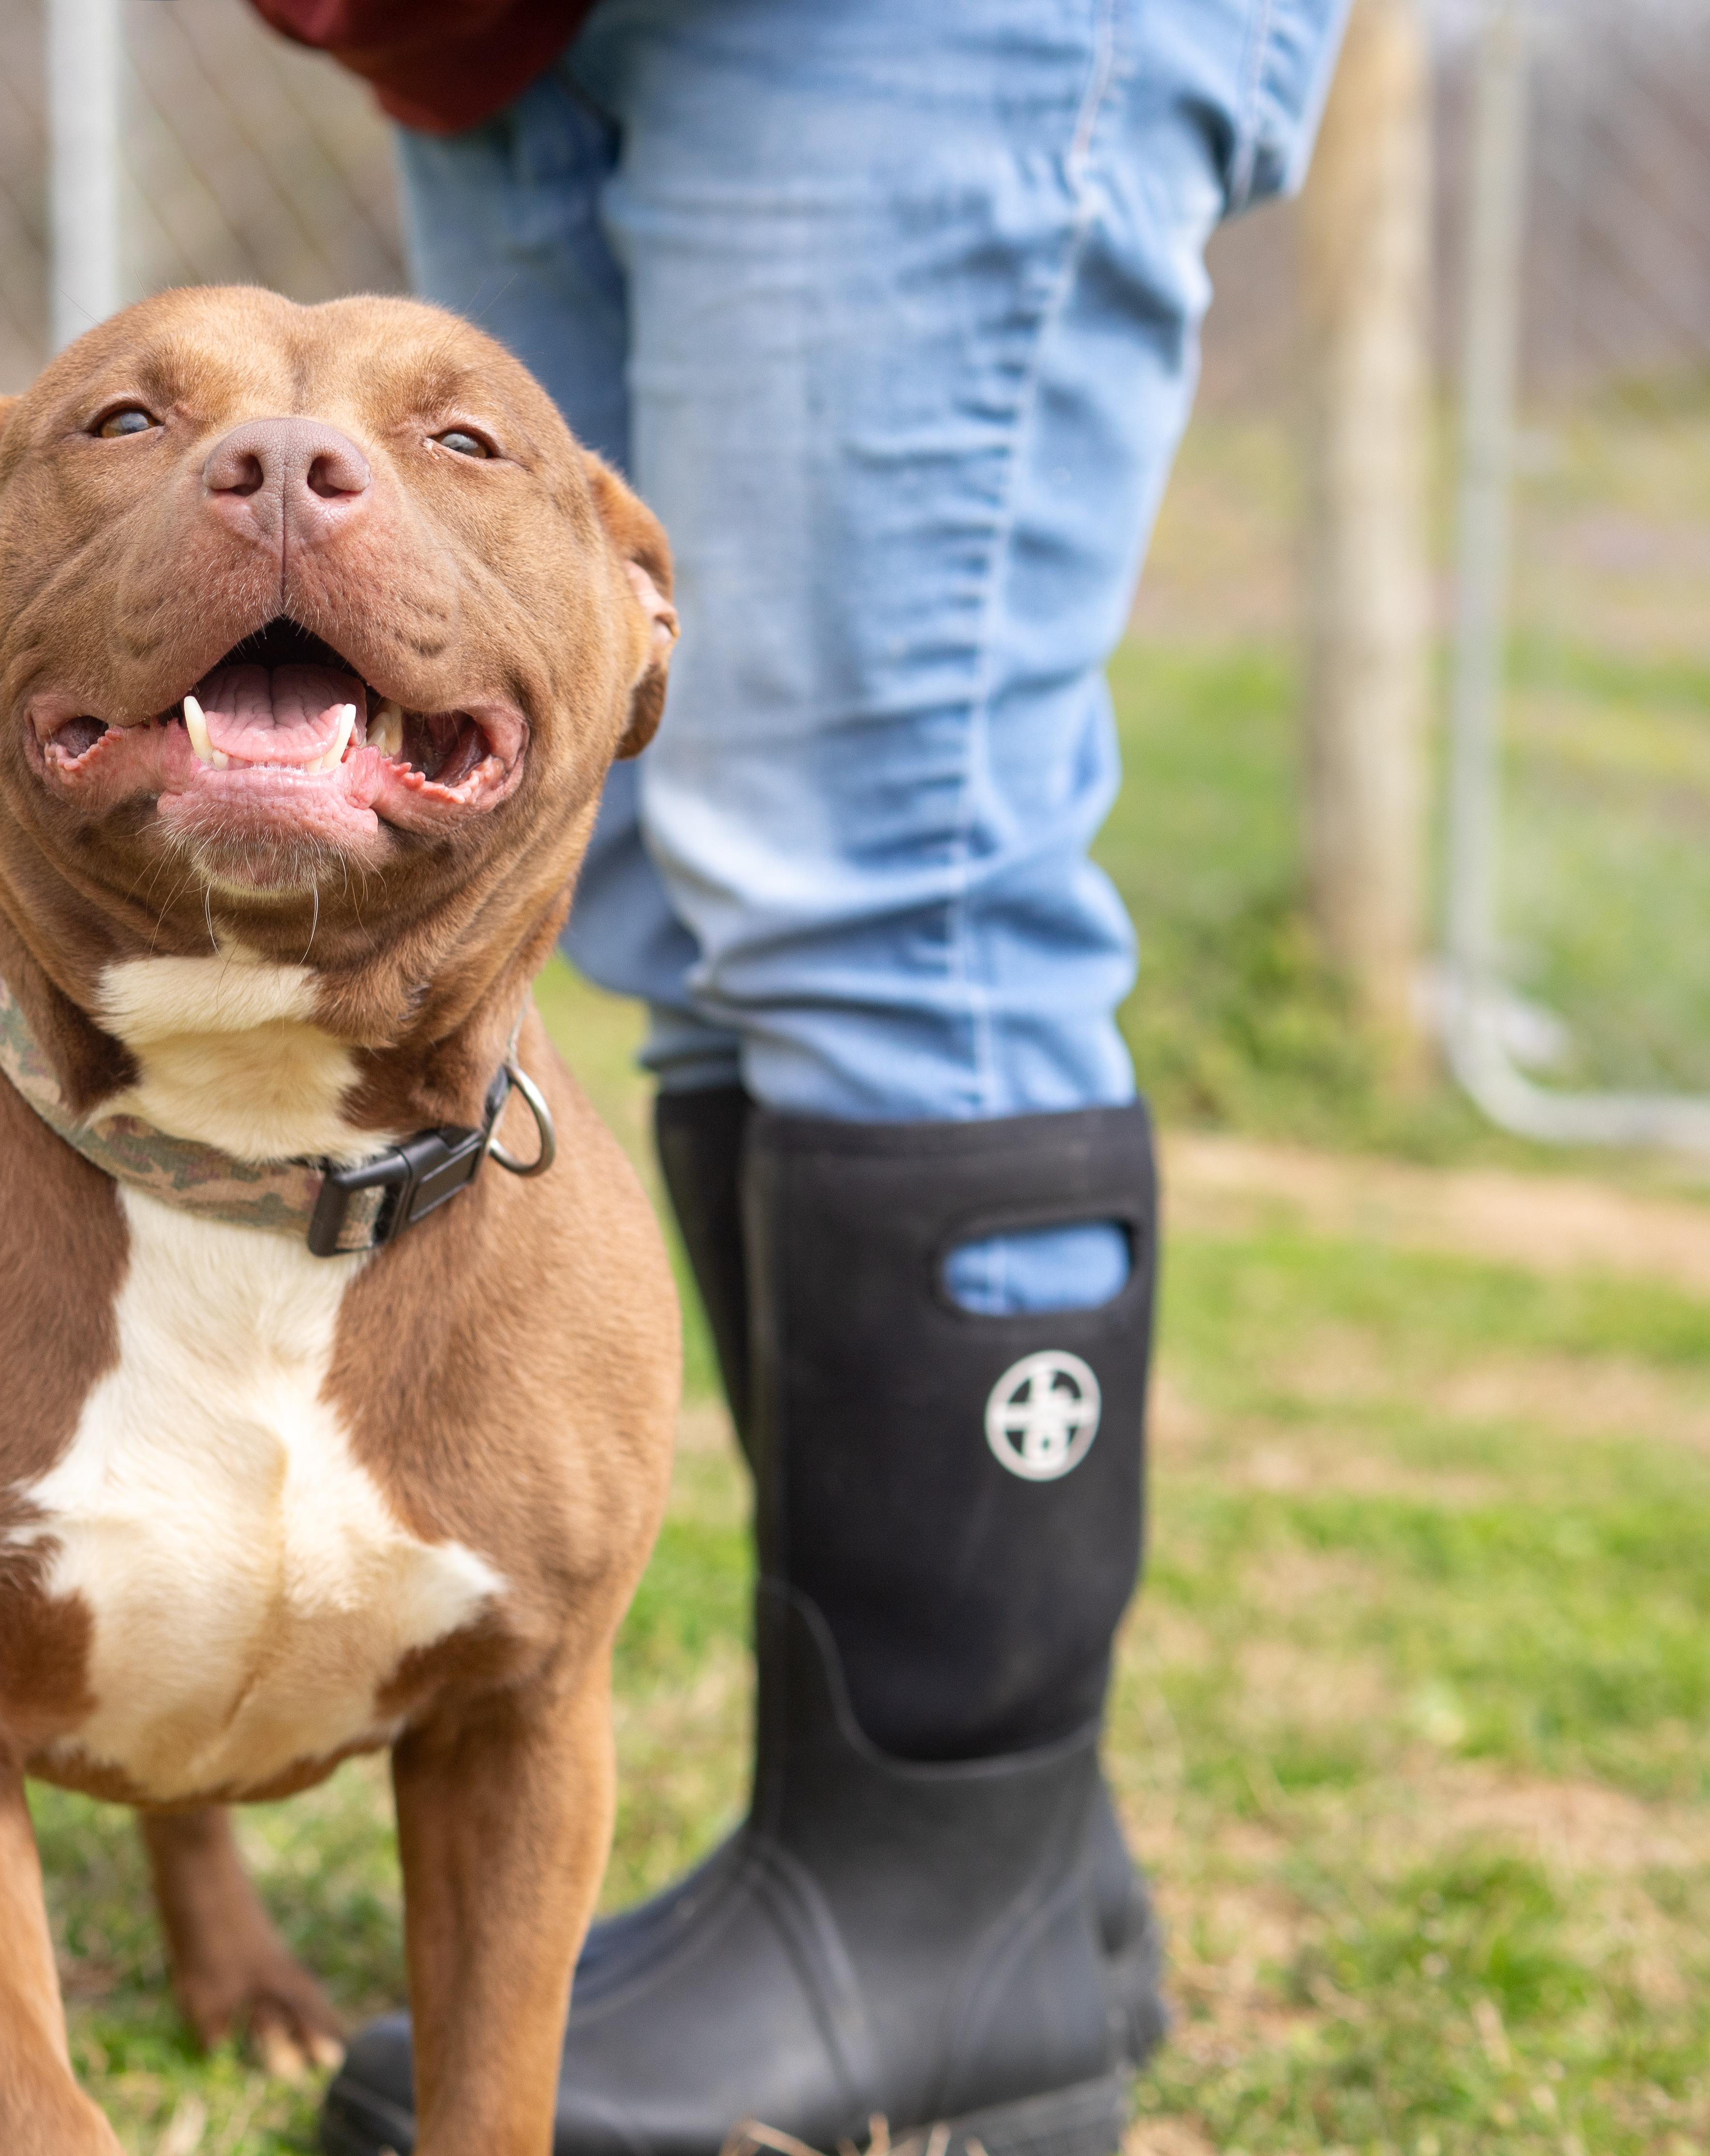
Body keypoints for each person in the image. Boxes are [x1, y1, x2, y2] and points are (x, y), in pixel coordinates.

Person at [236, 3, 1353, 2151]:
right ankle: (983, 1869)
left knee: (887, 881)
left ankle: (947, 1894)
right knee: (661, 858)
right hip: (506, 34)